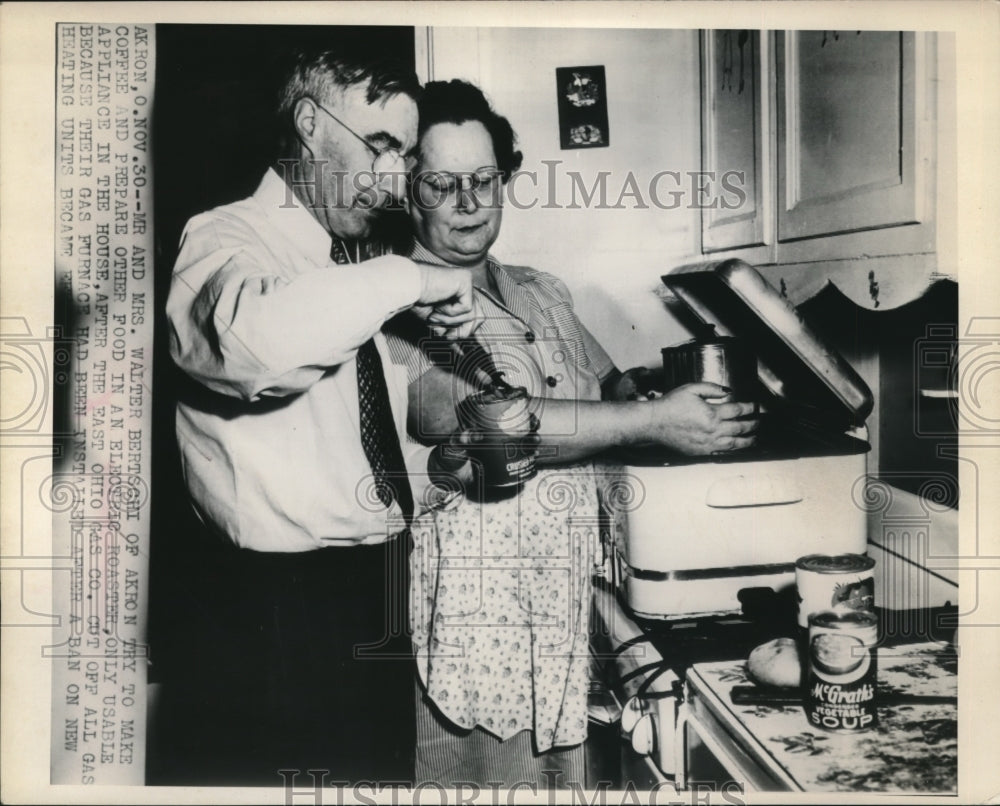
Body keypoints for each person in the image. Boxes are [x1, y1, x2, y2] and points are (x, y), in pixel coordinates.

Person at [386, 79, 758, 789]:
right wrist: (658, 420)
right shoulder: (398, 307)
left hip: (566, 607)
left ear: (505, 180)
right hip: (478, 630)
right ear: (408, 192)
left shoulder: (542, 290)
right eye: (440, 183)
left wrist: (658, 392)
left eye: (483, 180)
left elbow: (609, 383)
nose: (467, 202)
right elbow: (493, 429)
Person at [161, 53, 486, 785]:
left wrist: (439, 471)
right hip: (279, 615)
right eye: (380, 146)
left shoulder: (345, 262)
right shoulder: (222, 238)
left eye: (405, 155)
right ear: (309, 123)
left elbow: (347, 453)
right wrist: (410, 277)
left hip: (373, 591)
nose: (393, 178)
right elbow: (252, 346)